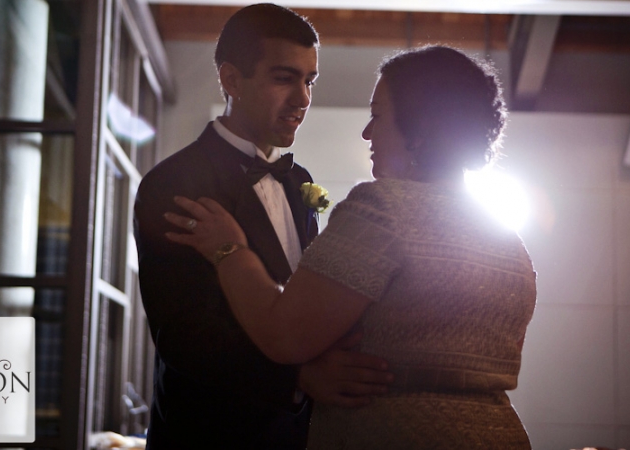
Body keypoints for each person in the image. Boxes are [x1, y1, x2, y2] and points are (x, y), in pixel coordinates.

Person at [166, 45, 538, 449]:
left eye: (377, 115)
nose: (367, 132)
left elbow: (283, 334)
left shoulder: (383, 209)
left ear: (420, 128)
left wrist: (229, 250)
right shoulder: (508, 240)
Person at [134, 3, 393, 450]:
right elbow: (185, 335)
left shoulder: (301, 181)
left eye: (309, 81)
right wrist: (298, 376)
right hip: (208, 434)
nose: (303, 99)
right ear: (231, 80)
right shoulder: (173, 183)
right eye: (283, 77)